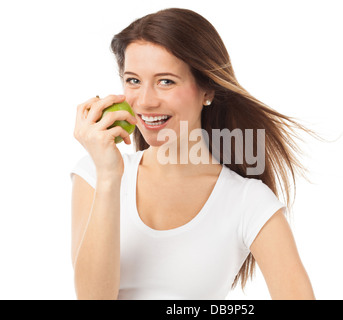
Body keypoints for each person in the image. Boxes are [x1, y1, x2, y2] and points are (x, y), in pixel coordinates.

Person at [70, 8, 315, 300]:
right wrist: (109, 176)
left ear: (207, 91)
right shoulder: (94, 175)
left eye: (166, 81)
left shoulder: (248, 201)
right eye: (133, 80)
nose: (145, 101)